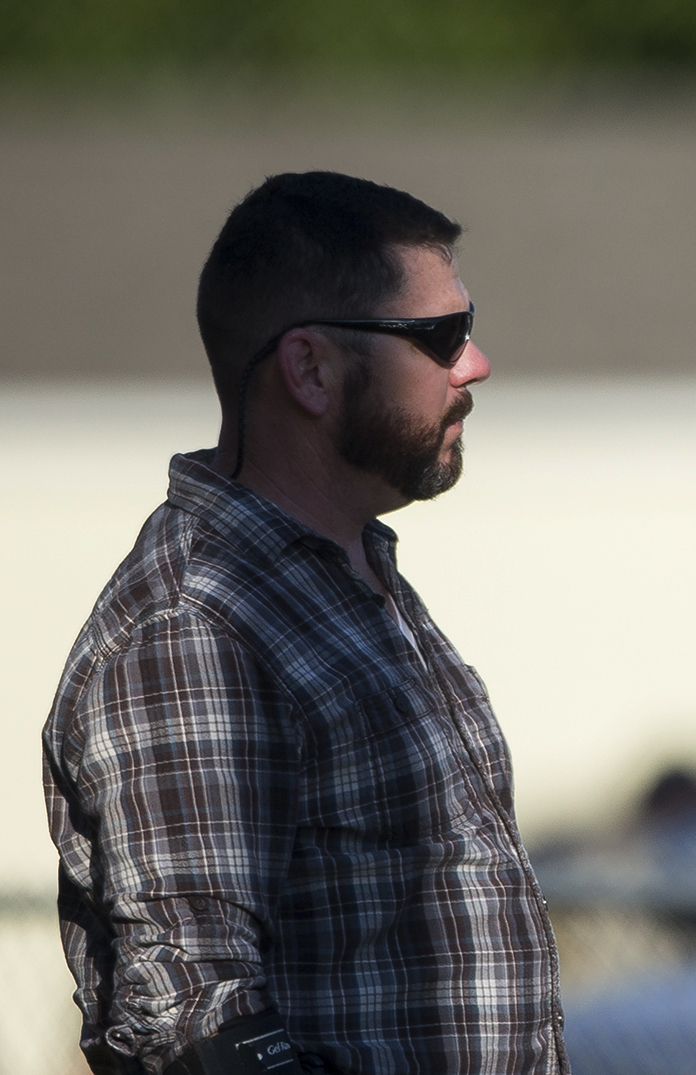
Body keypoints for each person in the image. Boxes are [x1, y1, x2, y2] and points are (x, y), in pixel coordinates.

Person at [43, 172, 566, 1075]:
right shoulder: (196, 626)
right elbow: (200, 1022)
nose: (474, 364)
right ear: (311, 368)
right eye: (439, 337)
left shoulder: (345, 578)